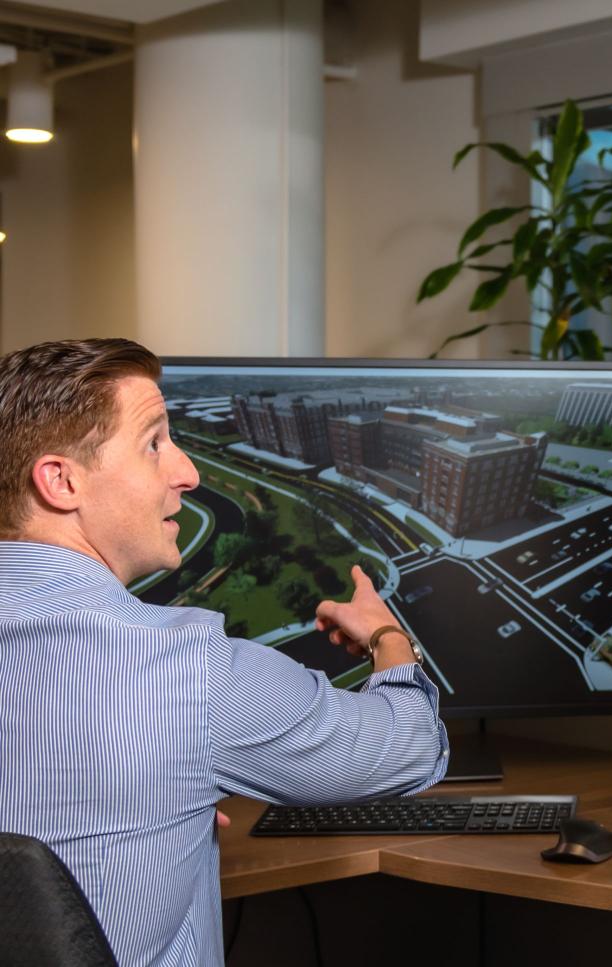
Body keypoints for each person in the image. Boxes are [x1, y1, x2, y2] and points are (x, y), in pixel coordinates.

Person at [0, 338, 449, 966]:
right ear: (61, 480)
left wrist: (161, 805)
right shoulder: (187, 673)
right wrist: (386, 636)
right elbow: (409, 748)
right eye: (154, 442)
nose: (187, 472)